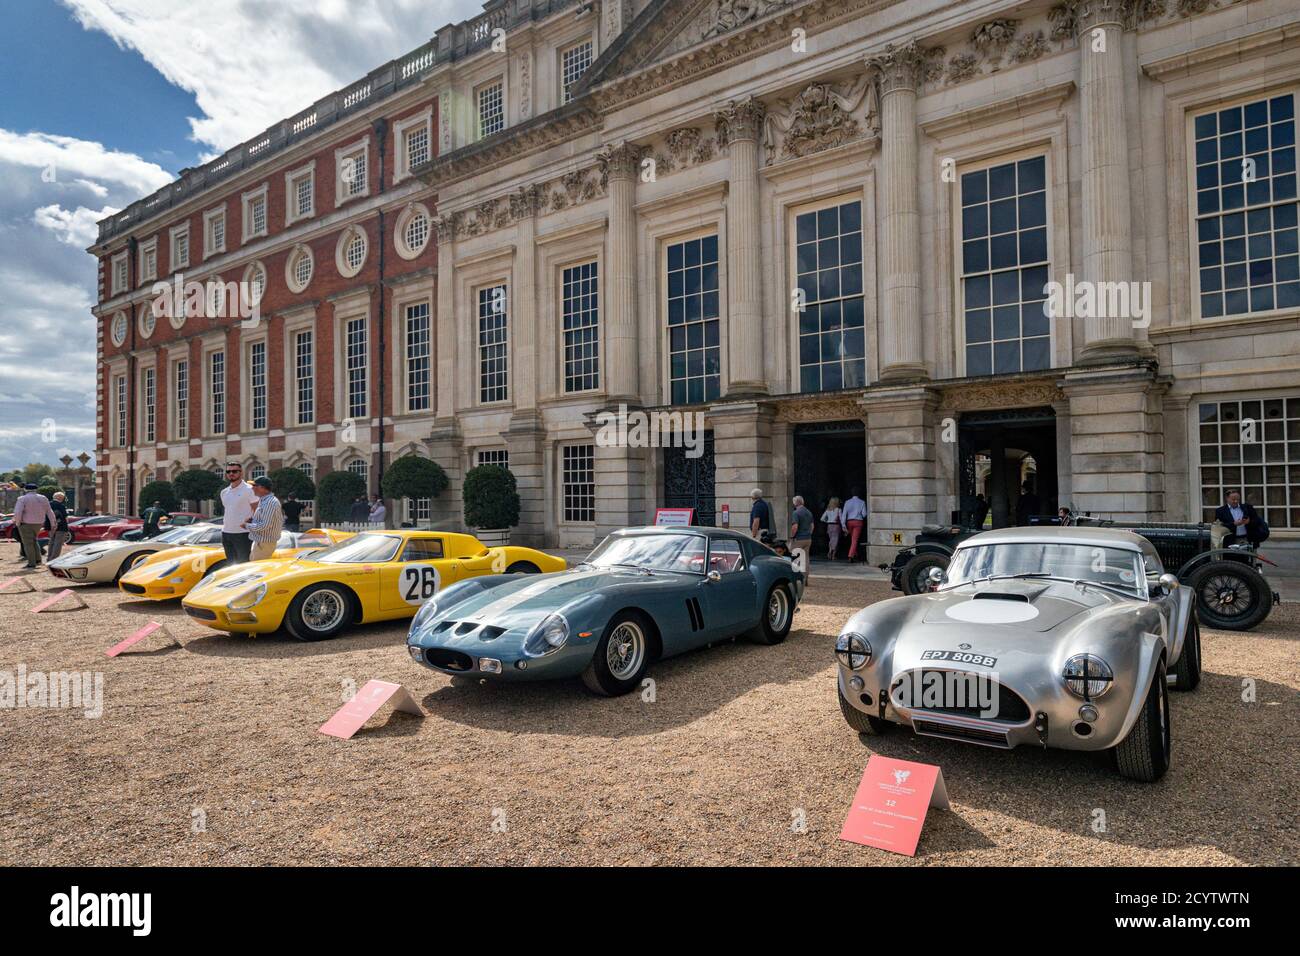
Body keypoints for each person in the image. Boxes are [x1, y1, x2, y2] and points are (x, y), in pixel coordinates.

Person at [219, 462, 256, 565]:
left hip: (243, 534)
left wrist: (248, 524)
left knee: (244, 565)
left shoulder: (250, 490)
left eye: (234, 471)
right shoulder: (224, 492)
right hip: (226, 533)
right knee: (231, 565)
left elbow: (257, 510)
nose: (231, 473)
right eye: (228, 471)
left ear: (241, 473)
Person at [13, 483, 57, 569]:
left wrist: (18, 523)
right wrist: (53, 523)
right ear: (36, 489)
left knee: (28, 544)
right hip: (39, 523)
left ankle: (31, 563)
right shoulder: (43, 498)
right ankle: (38, 560)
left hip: (25, 523)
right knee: (34, 541)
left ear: (25, 489)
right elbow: (49, 511)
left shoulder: (22, 499)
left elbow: (18, 512)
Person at [244, 477, 284, 561]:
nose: (252, 488)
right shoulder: (265, 500)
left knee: (256, 570)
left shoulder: (270, 502)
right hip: (261, 543)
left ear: (262, 488)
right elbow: (264, 521)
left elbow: (264, 526)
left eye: (254, 485)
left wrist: (246, 526)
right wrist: (252, 520)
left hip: (264, 544)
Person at [789, 496, 815, 581]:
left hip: (799, 538)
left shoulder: (796, 513)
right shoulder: (809, 512)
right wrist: (808, 534)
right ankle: (805, 578)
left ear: (795, 503)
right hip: (808, 538)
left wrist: (792, 536)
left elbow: (795, 527)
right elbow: (812, 526)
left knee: (794, 557)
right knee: (805, 559)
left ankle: (795, 578)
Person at [843, 488, 867, 563]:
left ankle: (855, 554)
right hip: (858, 522)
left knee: (852, 539)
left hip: (849, 522)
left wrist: (843, 524)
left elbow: (844, 514)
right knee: (855, 540)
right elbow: (864, 514)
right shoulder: (862, 502)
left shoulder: (847, 502)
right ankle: (850, 555)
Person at [46, 492, 71, 561]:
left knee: (51, 543)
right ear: (61, 498)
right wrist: (67, 525)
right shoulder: (61, 506)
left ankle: (49, 558)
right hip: (61, 527)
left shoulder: (48, 505)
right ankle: (54, 559)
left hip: (50, 526)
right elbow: (65, 517)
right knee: (58, 544)